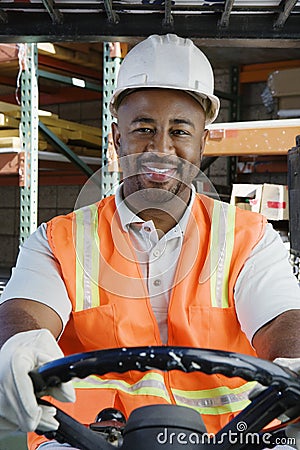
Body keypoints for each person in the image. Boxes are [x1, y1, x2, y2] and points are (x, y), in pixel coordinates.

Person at [0, 34, 300, 450]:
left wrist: (295, 361)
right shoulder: (58, 240)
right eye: (143, 129)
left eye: (180, 131)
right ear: (116, 137)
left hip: (230, 440)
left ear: (203, 142)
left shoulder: (249, 238)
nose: (161, 149)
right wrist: (19, 345)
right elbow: (23, 311)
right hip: (88, 441)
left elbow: (282, 320)